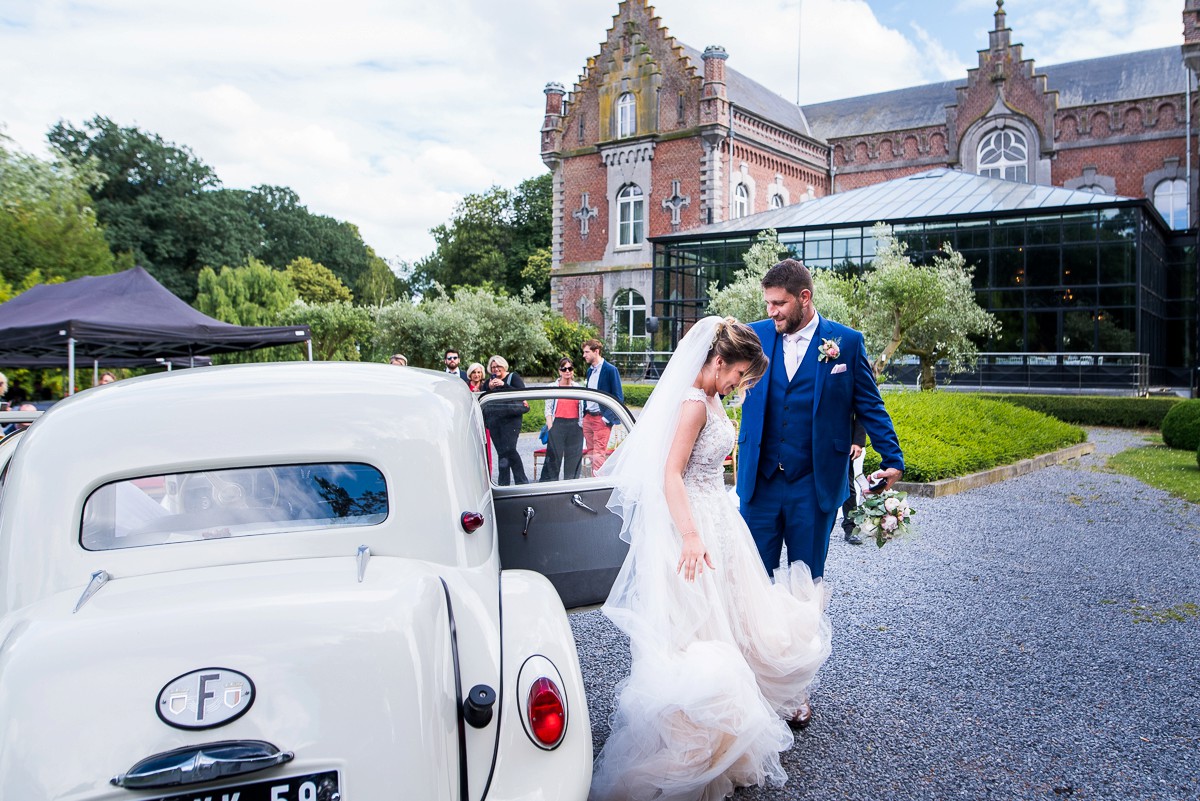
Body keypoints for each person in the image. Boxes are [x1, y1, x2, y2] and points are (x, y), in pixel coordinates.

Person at [590, 316, 832, 801]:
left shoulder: (713, 396)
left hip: (720, 518)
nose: (738, 384)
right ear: (717, 361)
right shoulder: (692, 405)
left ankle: (743, 709)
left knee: (735, 612)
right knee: (701, 622)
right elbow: (670, 476)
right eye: (737, 374)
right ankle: (705, 727)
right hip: (695, 523)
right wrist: (690, 537)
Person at [736, 258, 903, 726]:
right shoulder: (752, 336)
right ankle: (752, 685)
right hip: (760, 484)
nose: (771, 311)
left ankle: (795, 690)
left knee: (804, 590)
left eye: (779, 303)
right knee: (753, 586)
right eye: (767, 303)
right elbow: (710, 378)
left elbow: (869, 402)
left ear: (804, 298)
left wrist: (892, 459)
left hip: (813, 487)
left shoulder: (846, 343)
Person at [481, 355, 528, 485]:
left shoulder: (513, 377)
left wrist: (504, 385)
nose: (496, 369)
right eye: (493, 367)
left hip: (511, 419)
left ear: (504, 366)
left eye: (498, 366)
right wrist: (489, 388)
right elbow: (482, 397)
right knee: (502, 453)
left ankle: (521, 480)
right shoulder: (489, 381)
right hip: (495, 420)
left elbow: (522, 393)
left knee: (510, 449)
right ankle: (504, 483)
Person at [581, 338, 624, 473]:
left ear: (596, 351)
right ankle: (593, 482)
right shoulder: (590, 371)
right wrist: (584, 416)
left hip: (601, 419)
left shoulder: (610, 370)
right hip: (589, 417)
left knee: (598, 454)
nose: (584, 355)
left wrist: (606, 419)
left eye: (587, 352)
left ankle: (597, 486)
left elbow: (618, 397)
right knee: (591, 452)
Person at [539, 357, 584, 482]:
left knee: (573, 460)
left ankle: (571, 485)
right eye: (564, 369)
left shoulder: (578, 387)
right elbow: (548, 409)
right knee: (553, 459)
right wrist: (551, 427)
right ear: (559, 371)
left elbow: (582, 408)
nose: (567, 371)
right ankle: (548, 487)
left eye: (570, 368)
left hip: (575, 426)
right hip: (558, 424)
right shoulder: (553, 386)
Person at [839, 420, 867, 545]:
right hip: (813, 439)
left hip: (843, 439)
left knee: (847, 485)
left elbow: (861, 410)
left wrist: (858, 441)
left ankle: (850, 527)